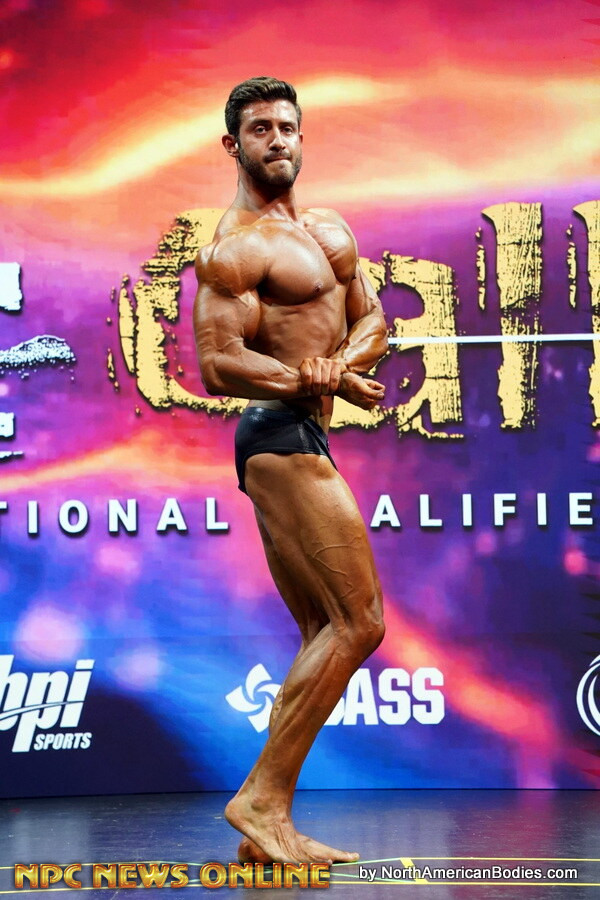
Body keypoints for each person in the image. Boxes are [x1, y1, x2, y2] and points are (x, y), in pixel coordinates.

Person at [193, 76, 388, 865]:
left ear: (302, 137)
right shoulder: (235, 249)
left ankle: (267, 826)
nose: (277, 139)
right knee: (359, 622)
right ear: (232, 145)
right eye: (260, 128)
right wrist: (303, 377)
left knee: (321, 631)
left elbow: (373, 318)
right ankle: (261, 799)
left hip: (307, 429)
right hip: (276, 436)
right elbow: (218, 362)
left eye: (287, 126)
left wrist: (342, 365)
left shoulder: (329, 231)